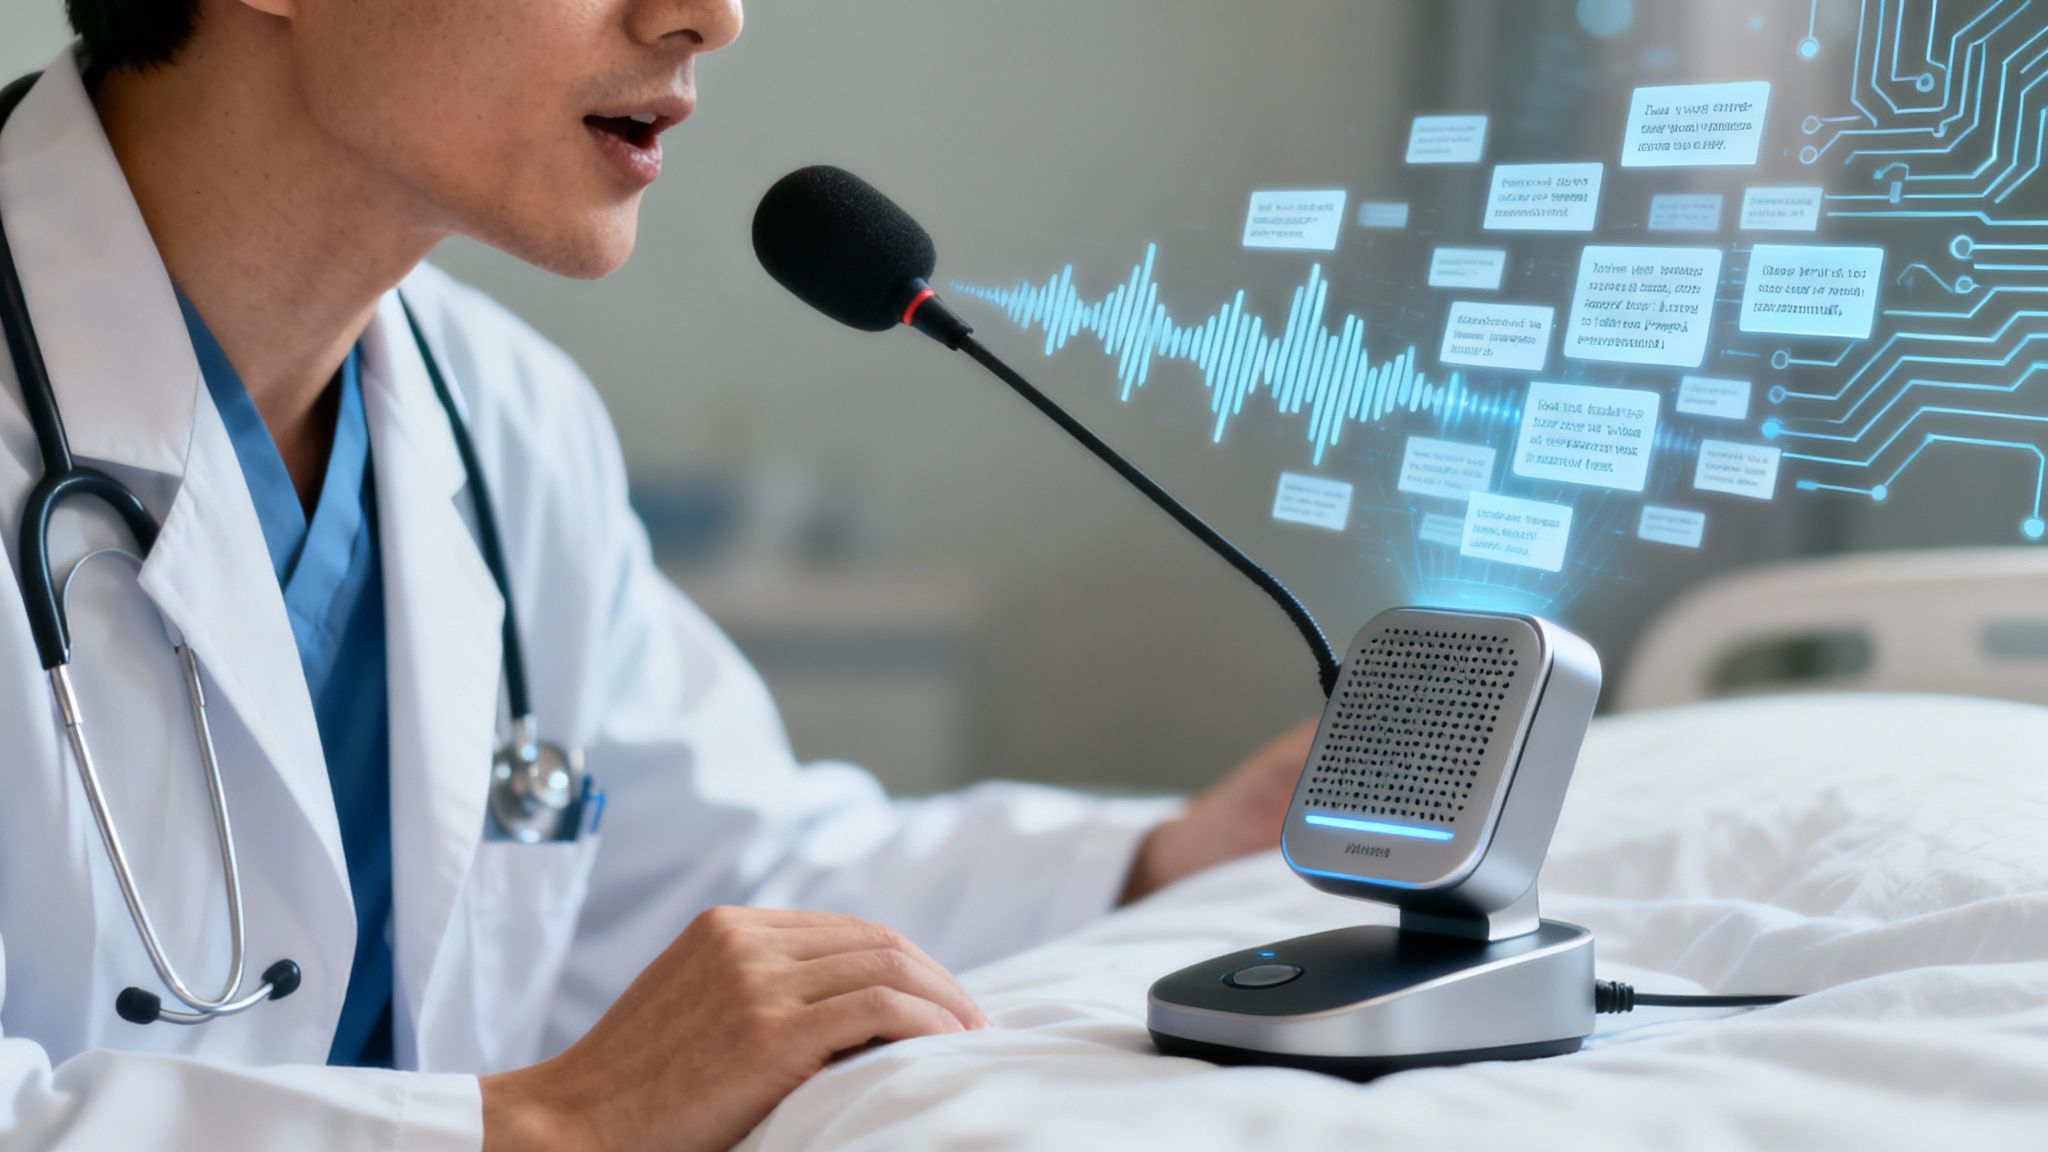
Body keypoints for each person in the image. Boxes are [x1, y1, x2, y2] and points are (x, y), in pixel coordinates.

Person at [0, 2, 1316, 1149]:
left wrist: (1169, 853)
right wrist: (534, 1129)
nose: (713, 14)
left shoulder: (507, 418)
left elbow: (724, 872)